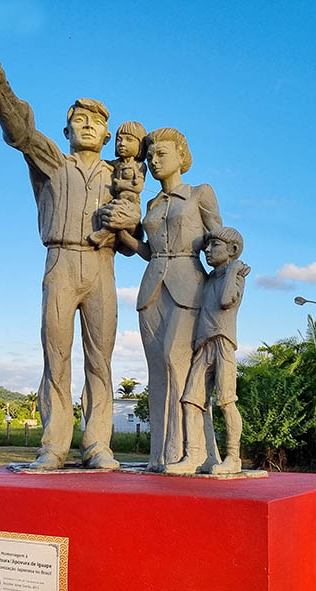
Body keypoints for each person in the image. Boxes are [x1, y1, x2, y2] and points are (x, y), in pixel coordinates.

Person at [0, 41, 120, 470]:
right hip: (60, 262)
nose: (87, 125)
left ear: (107, 134)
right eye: (78, 119)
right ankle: (54, 445)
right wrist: (0, 92)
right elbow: (20, 133)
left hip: (102, 267)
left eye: (95, 121)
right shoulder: (54, 162)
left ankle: (98, 445)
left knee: (100, 360)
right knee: (56, 355)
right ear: (66, 130)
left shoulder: (120, 176)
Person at [107, 128, 221, 471]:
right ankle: (160, 456)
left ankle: (191, 452)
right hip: (152, 289)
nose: (155, 162)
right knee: (157, 369)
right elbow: (146, 251)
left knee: (180, 365)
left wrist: (227, 289)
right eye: (152, 155)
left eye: (162, 155)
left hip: (190, 286)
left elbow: (220, 241)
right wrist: (122, 234)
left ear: (181, 156)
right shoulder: (152, 204)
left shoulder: (201, 193)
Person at [165, 227, 250, 475]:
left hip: (223, 343)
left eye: (214, 246)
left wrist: (233, 269)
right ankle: (193, 455)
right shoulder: (210, 277)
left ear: (232, 250)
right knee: (191, 400)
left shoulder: (236, 276)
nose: (208, 251)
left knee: (226, 400)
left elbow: (225, 301)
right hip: (204, 345)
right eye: (207, 247)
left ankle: (233, 457)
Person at [88, 121, 147, 252]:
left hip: (130, 202)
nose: (122, 143)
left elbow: (138, 187)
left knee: (117, 215)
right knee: (108, 212)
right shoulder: (116, 164)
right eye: (119, 140)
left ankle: (103, 234)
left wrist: (121, 184)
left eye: (129, 140)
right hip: (119, 199)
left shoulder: (138, 166)